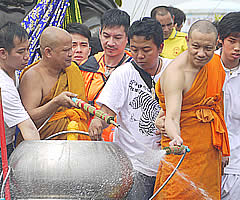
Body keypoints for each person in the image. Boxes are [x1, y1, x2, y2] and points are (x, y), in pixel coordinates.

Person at [88, 17, 172, 200]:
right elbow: (106, 112)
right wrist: (97, 121)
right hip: (135, 165)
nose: (139, 55)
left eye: (146, 50)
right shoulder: (122, 74)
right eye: (134, 50)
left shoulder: (173, 70)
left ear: (161, 47)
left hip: (169, 163)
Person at [153, 20, 230, 199]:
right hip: (182, 149)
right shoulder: (176, 73)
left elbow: (218, 104)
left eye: (208, 48)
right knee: (176, 193)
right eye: (196, 46)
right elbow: (171, 117)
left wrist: (224, 147)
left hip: (209, 149)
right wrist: (176, 138)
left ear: (217, 43)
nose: (201, 53)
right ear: (187, 41)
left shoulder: (216, 64)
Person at [18, 26, 90, 140]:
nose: (71, 54)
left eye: (71, 49)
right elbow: (26, 118)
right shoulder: (33, 76)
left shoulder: (72, 70)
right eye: (66, 50)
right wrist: (56, 102)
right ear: (48, 52)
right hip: (43, 146)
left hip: (75, 143)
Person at [79, 8, 132, 141]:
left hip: (122, 142)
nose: (110, 43)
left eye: (117, 37)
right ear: (100, 33)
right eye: (106, 36)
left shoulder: (134, 69)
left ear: (128, 38)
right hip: (88, 139)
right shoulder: (88, 67)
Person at [0, 22, 40, 168]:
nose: (27, 56)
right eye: (20, 52)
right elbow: (27, 128)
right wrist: (39, 162)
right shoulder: (3, 86)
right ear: (3, 53)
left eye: (28, 50)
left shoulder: (15, 73)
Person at [218, 12, 240, 200]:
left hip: (236, 164)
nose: (237, 48)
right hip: (205, 160)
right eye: (232, 40)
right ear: (220, 39)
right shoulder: (203, 67)